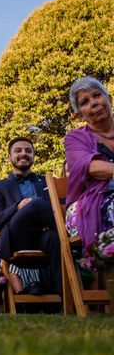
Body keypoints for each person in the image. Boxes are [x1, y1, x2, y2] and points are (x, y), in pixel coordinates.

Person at [0, 136, 62, 296]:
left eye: (28, 151)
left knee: (54, 239)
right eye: (18, 151)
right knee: (35, 204)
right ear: (9, 157)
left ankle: (64, 300)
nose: (23, 154)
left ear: (34, 156)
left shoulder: (47, 182)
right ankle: (70, 235)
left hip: (44, 236)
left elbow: (62, 207)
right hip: (16, 239)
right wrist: (17, 207)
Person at [65, 76, 114, 253]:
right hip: (90, 203)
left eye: (97, 95)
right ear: (79, 113)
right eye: (85, 101)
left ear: (108, 98)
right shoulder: (74, 138)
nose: (94, 103)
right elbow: (93, 168)